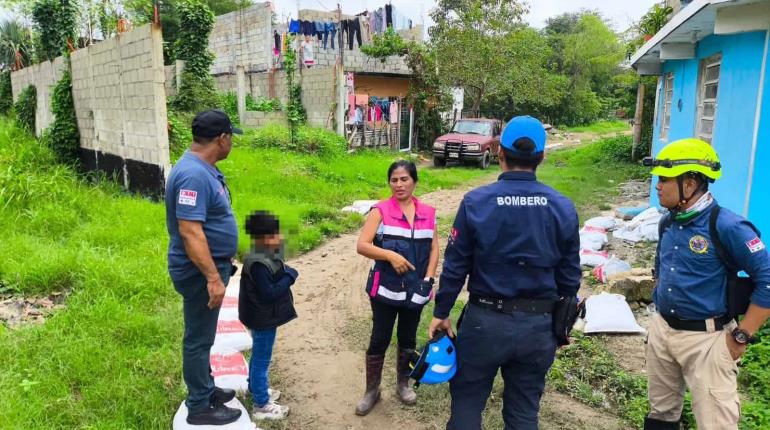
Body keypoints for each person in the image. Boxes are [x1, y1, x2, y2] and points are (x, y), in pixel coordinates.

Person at [428, 115, 581, 430]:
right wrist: (561, 326)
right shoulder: (562, 207)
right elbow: (570, 278)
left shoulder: (476, 202)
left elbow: (456, 265)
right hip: (538, 329)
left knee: (468, 404)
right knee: (524, 413)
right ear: (541, 157)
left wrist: (441, 312)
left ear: (499, 153)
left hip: (485, 324)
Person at [642, 138, 770, 430]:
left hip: (708, 340)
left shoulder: (728, 227)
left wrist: (743, 335)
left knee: (716, 423)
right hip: (664, 331)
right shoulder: (668, 222)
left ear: (690, 184)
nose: (658, 186)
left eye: (664, 179)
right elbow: (662, 266)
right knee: (660, 415)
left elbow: (768, 279)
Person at [165, 109, 243, 425]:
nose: (232, 142)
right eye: (231, 137)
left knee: (204, 336)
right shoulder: (193, 174)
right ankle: (199, 406)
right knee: (197, 340)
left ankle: (206, 388)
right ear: (222, 139)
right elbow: (190, 231)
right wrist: (213, 276)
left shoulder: (201, 168)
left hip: (207, 267)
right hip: (198, 273)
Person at [354, 160, 440, 415]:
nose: (399, 184)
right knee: (379, 338)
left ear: (414, 181)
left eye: (404, 179)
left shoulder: (428, 212)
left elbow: (434, 248)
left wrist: (429, 279)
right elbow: (362, 245)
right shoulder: (380, 210)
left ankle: (403, 384)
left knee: (408, 337)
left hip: (416, 288)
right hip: (385, 288)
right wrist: (390, 256)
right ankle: (372, 391)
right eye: (394, 180)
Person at [239, 210, 297, 421]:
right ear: (262, 239)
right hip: (262, 319)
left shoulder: (261, 254)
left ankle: (255, 390)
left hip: (258, 316)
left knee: (258, 356)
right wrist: (290, 276)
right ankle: (261, 404)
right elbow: (270, 292)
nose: (280, 237)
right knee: (262, 360)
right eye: (274, 235)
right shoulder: (259, 263)